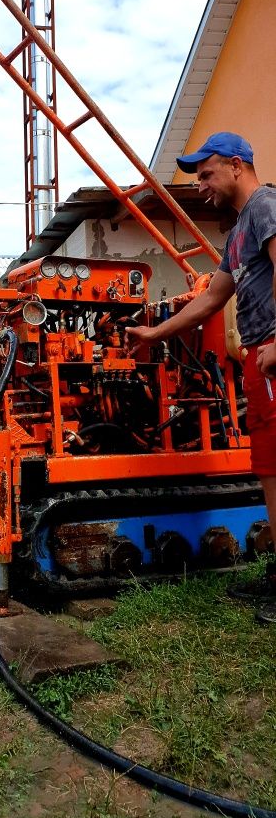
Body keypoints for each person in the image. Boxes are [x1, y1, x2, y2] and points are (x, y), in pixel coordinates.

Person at [125, 131, 276, 622]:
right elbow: (211, 300)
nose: (201, 185)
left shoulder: (264, 207)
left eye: (206, 174)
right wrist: (152, 336)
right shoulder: (237, 233)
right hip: (258, 356)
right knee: (269, 470)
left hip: (273, 353)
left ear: (237, 165)